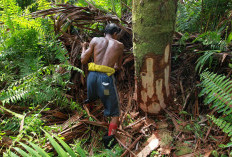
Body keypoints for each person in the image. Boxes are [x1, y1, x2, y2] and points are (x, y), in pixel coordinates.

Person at [81, 23, 124, 148]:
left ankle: (88, 115)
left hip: (92, 78)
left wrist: (84, 47)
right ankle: (109, 142)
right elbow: (117, 66)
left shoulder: (94, 40)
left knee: (92, 96)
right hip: (105, 81)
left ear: (105, 32)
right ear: (115, 34)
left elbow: (83, 60)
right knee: (115, 113)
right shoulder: (119, 45)